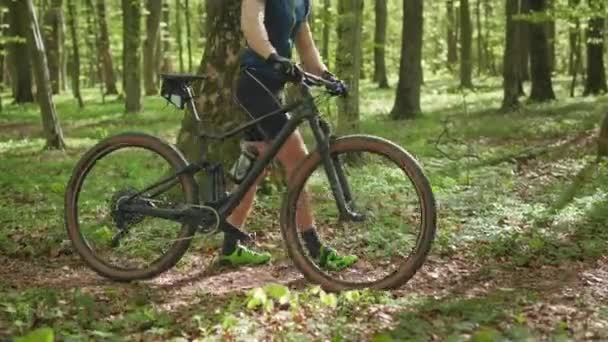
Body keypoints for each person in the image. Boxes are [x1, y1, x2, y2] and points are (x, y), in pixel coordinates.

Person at [218, 0, 358, 270]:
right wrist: (274, 57)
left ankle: (229, 247)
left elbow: (306, 46)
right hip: (254, 84)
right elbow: (252, 24)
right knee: (299, 161)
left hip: (275, 87)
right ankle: (314, 250)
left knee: (255, 166)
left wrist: (328, 76)